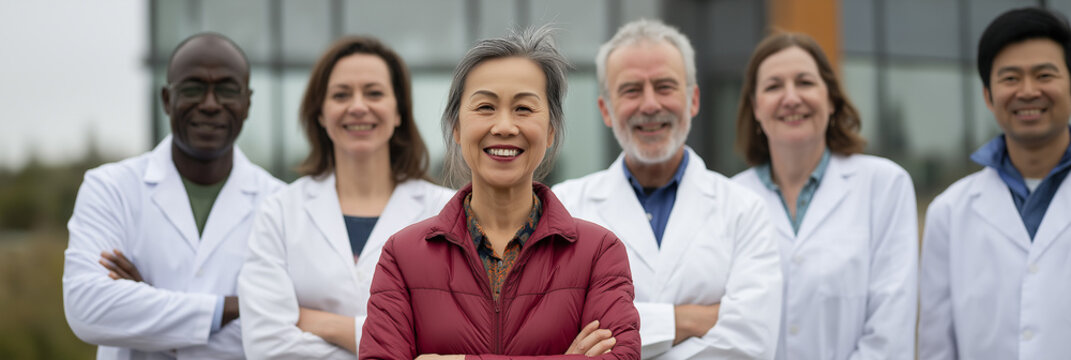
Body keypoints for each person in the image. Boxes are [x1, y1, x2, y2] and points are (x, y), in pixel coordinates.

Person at [358, 26, 640, 359]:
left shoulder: (598, 253)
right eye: (485, 107)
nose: (504, 126)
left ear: (550, 131)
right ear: (457, 128)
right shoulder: (403, 256)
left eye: (523, 108)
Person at [552, 19, 782, 359]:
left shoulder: (746, 211)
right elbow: (555, 331)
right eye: (631, 89)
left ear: (693, 100)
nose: (649, 105)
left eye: (664, 87)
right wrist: (688, 319)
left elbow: (752, 342)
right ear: (606, 109)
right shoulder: (564, 207)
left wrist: (622, 334)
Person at [62, 33, 284, 359]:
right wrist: (234, 307)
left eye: (226, 89)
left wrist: (146, 310)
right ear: (167, 99)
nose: (210, 104)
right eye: (193, 88)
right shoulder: (109, 188)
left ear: (247, 103)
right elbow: (87, 309)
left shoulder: (282, 203)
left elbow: (288, 329)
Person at [237, 36, 453, 359]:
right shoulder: (281, 212)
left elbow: (454, 336)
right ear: (321, 114)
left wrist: (324, 324)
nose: (357, 106)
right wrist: (394, 342)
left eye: (374, 93)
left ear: (399, 113)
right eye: (341, 95)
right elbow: (266, 345)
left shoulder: (446, 212)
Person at [730, 32, 918, 360]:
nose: (791, 98)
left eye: (804, 82)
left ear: (831, 99)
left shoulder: (885, 185)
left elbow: (892, 326)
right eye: (773, 86)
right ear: (756, 108)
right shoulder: (728, 199)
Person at [919, 7, 1071, 359]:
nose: (1028, 91)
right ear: (988, 96)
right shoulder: (949, 212)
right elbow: (936, 345)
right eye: (1010, 78)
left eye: (1044, 74)